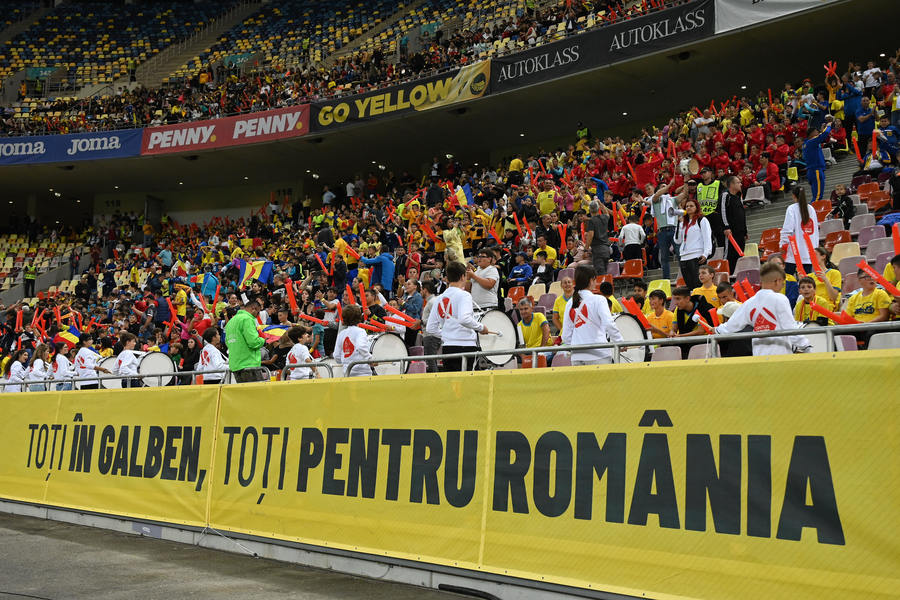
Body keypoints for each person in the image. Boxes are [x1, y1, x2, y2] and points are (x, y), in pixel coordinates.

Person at [714, 262, 810, 355]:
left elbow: (730, 326)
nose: (782, 286)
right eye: (782, 283)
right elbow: (790, 329)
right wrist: (806, 346)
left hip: (759, 354)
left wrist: (717, 330)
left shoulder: (749, 303)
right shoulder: (780, 299)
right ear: (777, 281)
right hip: (780, 353)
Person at [425, 261, 492, 372]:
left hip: (447, 347)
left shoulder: (439, 298)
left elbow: (430, 328)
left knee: (452, 385)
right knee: (468, 384)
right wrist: (481, 327)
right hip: (466, 346)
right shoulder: (464, 295)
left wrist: (448, 335)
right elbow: (464, 319)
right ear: (462, 276)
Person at [561, 265, 623, 365]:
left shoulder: (570, 303)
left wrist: (572, 349)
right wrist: (620, 342)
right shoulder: (599, 300)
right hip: (598, 354)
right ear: (591, 280)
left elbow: (566, 335)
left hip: (576, 356)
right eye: (595, 279)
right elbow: (609, 324)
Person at [224, 299, 267, 383]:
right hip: (249, 364)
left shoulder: (230, 322)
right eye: (258, 312)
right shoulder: (247, 319)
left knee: (244, 395)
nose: (257, 316)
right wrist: (263, 340)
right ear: (253, 308)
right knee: (257, 395)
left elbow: (227, 342)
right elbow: (253, 342)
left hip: (235, 365)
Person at [779, 187, 818, 275]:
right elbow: (815, 232)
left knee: (788, 281)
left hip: (794, 253)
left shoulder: (792, 208)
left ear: (793, 196)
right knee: (806, 283)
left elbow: (787, 230)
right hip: (808, 253)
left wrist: (782, 245)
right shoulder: (811, 209)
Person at [674, 198, 712, 290]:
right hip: (684, 257)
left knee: (698, 285)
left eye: (691, 206)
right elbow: (677, 240)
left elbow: (707, 237)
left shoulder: (702, 220)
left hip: (696, 256)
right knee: (690, 287)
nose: (688, 208)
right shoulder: (683, 222)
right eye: (687, 206)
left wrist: (706, 253)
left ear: (696, 207)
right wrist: (679, 224)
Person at [647, 181, 681, 280]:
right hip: (662, 231)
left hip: (674, 229)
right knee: (664, 257)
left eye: (666, 187)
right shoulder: (655, 199)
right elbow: (657, 194)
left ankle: (685, 275)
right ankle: (666, 279)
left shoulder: (672, 200)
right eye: (663, 187)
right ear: (658, 190)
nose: (666, 188)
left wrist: (686, 182)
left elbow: (684, 195)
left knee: (679, 254)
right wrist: (670, 185)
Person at [333, 304, 374, 377]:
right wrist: (370, 359)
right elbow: (361, 346)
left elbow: (336, 356)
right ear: (359, 317)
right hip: (363, 373)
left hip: (347, 373)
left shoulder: (341, 334)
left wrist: (346, 362)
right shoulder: (360, 331)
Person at [720, 175, 747, 273]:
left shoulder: (738, 196)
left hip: (740, 232)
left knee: (740, 255)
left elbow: (742, 214)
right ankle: (727, 276)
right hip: (730, 232)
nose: (741, 184)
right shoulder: (725, 195)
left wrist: (745, 230)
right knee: (729, 255)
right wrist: (726, 226)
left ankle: (737, 277)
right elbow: (722, 211)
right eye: (738, 182)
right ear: (731, 184)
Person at [802, 119, 833, 202]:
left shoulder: (807, 143)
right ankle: (811, 213)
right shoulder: (811, 142)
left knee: (816, 196)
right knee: (817, 197)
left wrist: (822, 129)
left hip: (813, 170)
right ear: (811, 134)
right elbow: (824, 134)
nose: (818, 133)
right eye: (816, 132)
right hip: (816, 170)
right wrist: (829, 125)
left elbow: (822, 135)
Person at [696, 166, 724, 249]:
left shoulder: (718, 183)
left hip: (714, 214)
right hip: (703, 215)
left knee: (719, 235)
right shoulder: (699, 186)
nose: (703, 175)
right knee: (707, 238)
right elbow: (697, 200)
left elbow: (722, 198)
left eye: (705, 172)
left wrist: (717, 211)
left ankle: (722, 253)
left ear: (710, 173)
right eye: (701, 173)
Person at [583, 200, 612, 275]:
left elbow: (590, 235)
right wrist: (600, 202)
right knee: (605, 272)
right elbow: (606, 212)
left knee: (600, 274)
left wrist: (585, 249)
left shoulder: (592, 221)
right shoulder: (604, 218)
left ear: (589, 210)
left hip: (598, 249)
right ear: (598, 208)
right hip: (606, 249)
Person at [420, 281, 441, 372]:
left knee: (431, 362)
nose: (420, 292)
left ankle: (436, 383)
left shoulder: (432, 302)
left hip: (431, 336)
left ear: (425, 290)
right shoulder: (432, 301)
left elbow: (437, 318)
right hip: (430, 335)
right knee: (431, 361)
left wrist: (421, 322)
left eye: (421, 290)